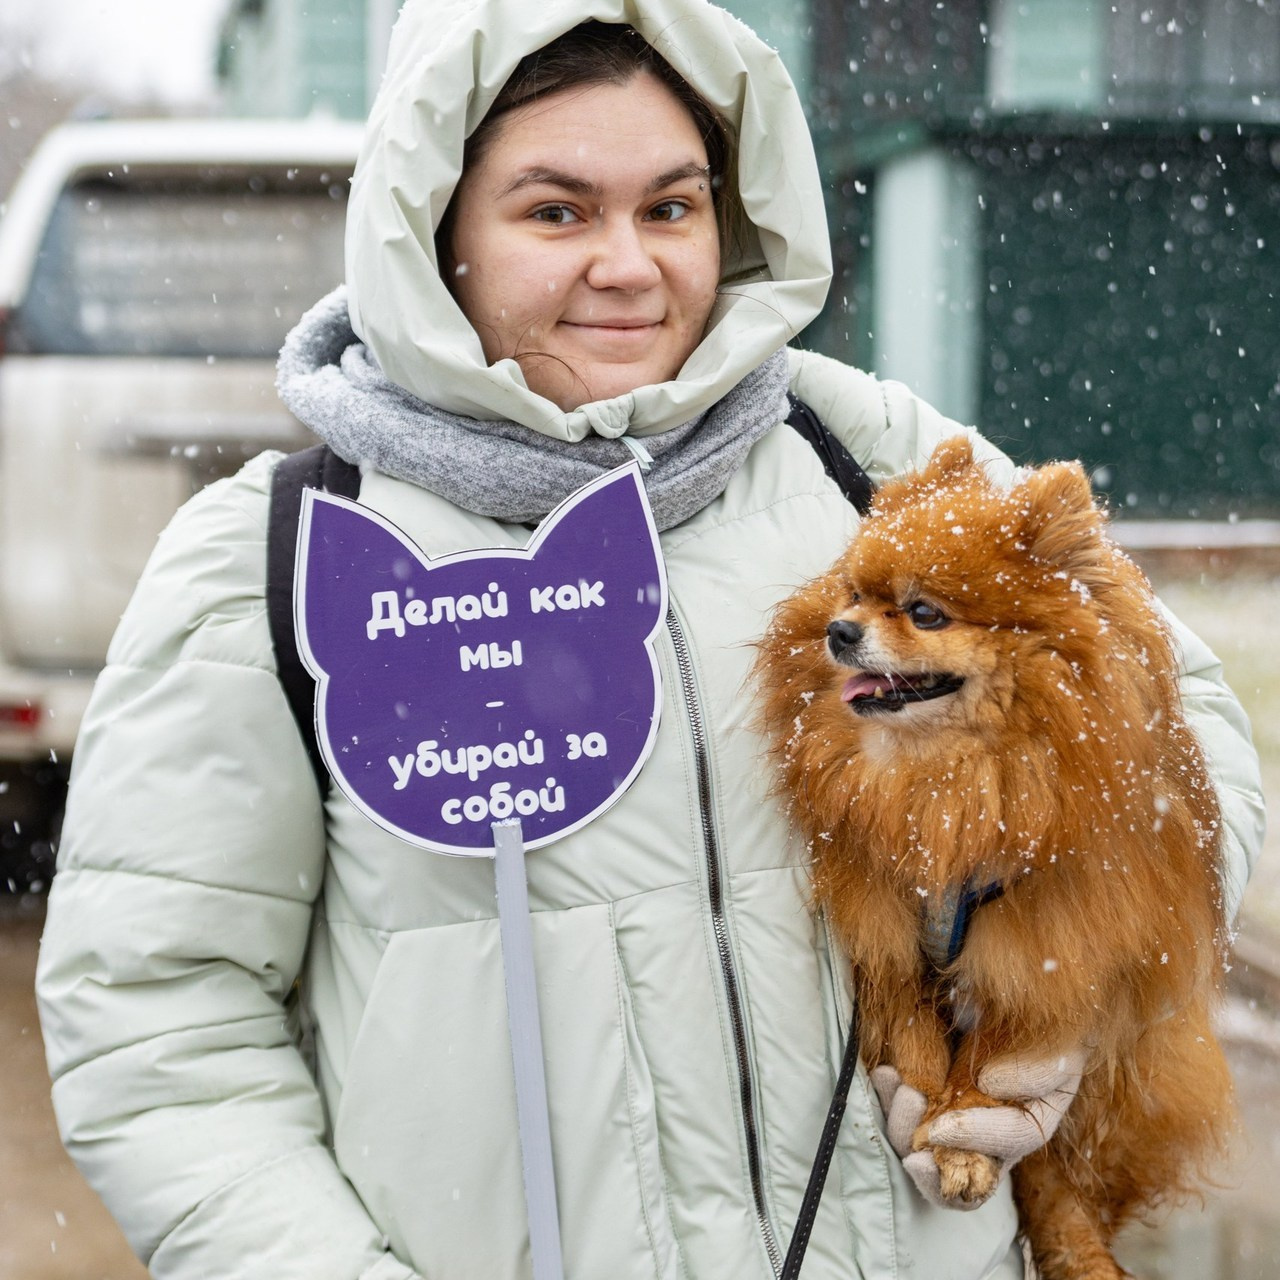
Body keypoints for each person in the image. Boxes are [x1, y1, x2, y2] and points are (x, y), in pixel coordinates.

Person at [35, 1, 1264, 1278]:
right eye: (555, 211)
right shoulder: (284, 552)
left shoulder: (869, 464)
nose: (628, 265)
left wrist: (1078, 984)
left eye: (670, 208)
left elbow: (1183, 730)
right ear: (432, 228)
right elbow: (158, 1019)